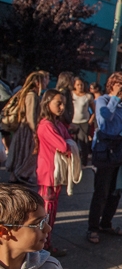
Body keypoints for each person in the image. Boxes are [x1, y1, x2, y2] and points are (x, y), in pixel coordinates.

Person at [87, 72, 122, 244]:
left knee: (115, 191)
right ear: (111, 84)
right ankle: (93, 228)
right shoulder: (102, 101)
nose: (121, 88)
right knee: (101, 191)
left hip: (120, 150)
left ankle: (106, 223)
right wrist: (114, 98)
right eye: (118, 84)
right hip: (104, 150)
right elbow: (105, 118)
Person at [36, 89, 74, 258]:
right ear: (47, 103)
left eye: (63, 103)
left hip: (55, 174)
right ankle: (42, 245)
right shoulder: (46, 125)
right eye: (58, 103)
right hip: (48, 173)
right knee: (46, 211)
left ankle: (46, 243)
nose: (61, 107)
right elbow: (65, 145)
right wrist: (69, 145)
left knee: (51, 211)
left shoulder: (57, 124)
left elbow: (68, 140)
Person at [6, 71, 44, 185]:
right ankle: (21, 175)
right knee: (28, 154)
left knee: (21, 153)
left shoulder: (24, 93)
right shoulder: (31, 95)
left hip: (23, 128)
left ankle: (16, 176)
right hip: (27, 129)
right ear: (37, 83)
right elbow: (30, 115)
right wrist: (34, 132)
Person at [71, 77, 95, 167]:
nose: (80, 86)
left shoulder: (88, 96)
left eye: (81, 84)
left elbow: (94, 110)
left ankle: (83, 162)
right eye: (78, 85)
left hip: (84, 122)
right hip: (73, 122)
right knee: (72, 142)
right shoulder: (71, 95)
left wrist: (90, 121)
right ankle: (72, 161)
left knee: (84, 143)